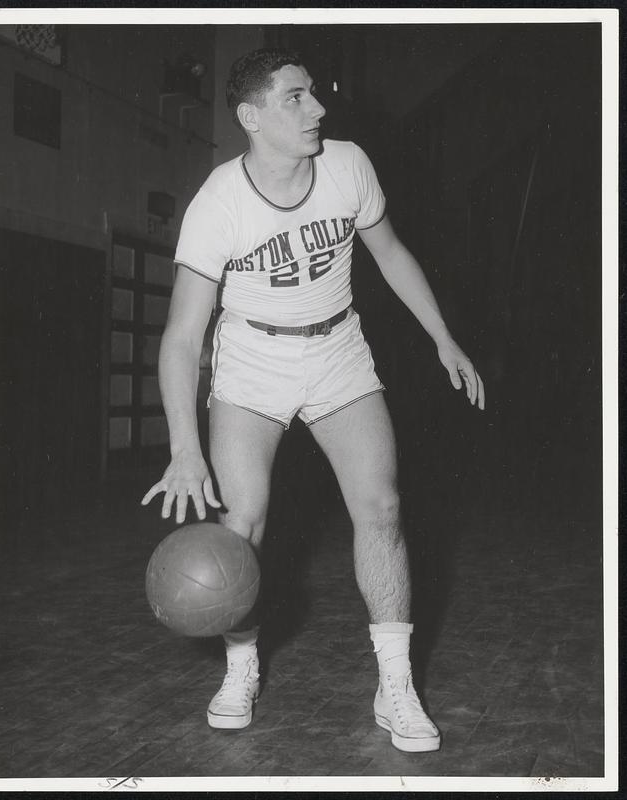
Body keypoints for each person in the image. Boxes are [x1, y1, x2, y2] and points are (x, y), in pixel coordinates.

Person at [142, 48, 485, 753]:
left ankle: (395, 685)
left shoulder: (348, 166)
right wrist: (183, 447)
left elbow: (389, 252)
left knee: (382, 508)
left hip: (336, 350)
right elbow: (182, 338)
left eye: (313, 95)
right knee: (245, 519)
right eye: (296, 98)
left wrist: (442, 337)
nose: (318, 108)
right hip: (253, 362)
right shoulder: (219, 204)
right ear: (251, 116)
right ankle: (241, 670)